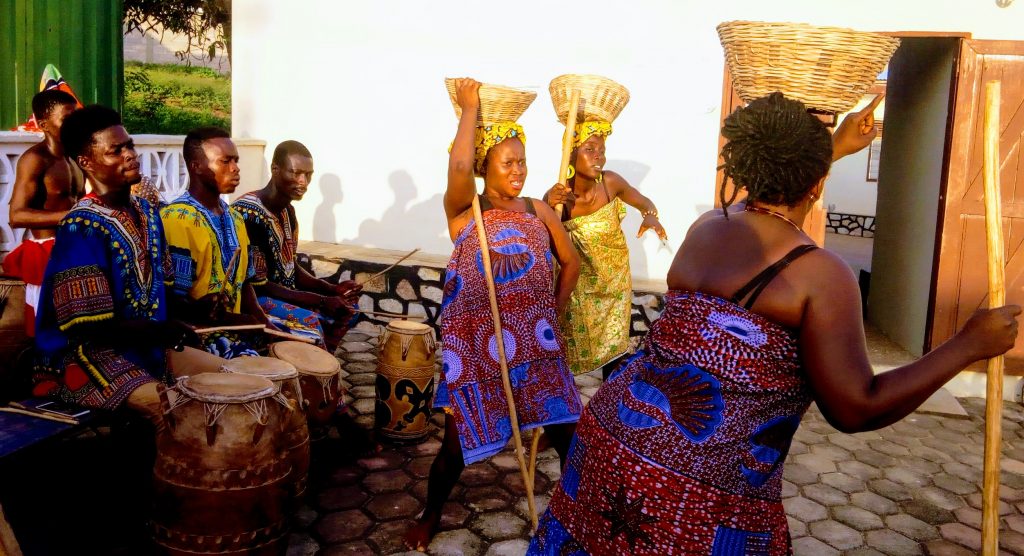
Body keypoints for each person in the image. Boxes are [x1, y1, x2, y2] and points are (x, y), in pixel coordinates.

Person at [528, 92, 1020, 555]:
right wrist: (967, 346)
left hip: (609, 443)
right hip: (690, 489)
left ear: (746, 167)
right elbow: (855, 409)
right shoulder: (819, 274)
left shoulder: (709, 227)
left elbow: (777, 187)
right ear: (817, 183)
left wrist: (832, 147)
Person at [405, 78, 583, 551]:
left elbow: (572, 262)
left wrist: (553, 312)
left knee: (569, 433)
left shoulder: (539, 210)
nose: (519, 171)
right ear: (486, 167)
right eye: (508, 163)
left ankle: (576, 516)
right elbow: (459, 163)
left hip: (537, 349)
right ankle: (431, 513)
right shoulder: (467, 210)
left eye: (523, 161)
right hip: (479, 353)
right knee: (454, 447)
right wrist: (469, 109)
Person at [31, 105, 194, 427]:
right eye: (115, 151)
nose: (130, 155)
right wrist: (162, 330)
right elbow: (86, 326)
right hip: (84, 360)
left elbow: (166, 289)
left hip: (148, 348)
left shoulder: (148, 212)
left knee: (238, 378)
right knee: (181, 411)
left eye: (129, 145)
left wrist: (190, 315)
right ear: (86, 162)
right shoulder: (81, 225)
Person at [544, 116, 667, 377]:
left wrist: (650, 214)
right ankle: (566, 407)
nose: (598, 157)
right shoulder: (559, 199)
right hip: (580, 289)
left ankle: (610, 407)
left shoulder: (610, 183)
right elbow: (545, 238)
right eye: (589, 150)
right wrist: (547, 204)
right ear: (572, 156)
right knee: (570, 350)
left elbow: (644, 201)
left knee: (616, 349)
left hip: (615, 285)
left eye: (602, 151)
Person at [232, 140, 360, 352]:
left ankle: (320, 367)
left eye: (308, 174)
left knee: (349, 308)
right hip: (255, 301)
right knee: (310, 320)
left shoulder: (287, 211)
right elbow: (258, 285)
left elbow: (290, 266)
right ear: (275, 170)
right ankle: (316, 375)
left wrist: (333, 290)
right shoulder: (248, 215)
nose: (304, 181)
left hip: (283, 294)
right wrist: (321, 301)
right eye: (296, 173)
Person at [160, 127, 268, 359]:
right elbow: (175, 302)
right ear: (196, 166)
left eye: (236, 160)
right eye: (225, 161)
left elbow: (245, 281)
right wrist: (233, 319)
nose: (235, 168)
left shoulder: (235, 218)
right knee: (258, 371)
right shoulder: (177, 219)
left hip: (238, 328)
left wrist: (261, 320)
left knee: (307, 338)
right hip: (197, 333)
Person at [4, 90, 84, 336]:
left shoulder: (73, 160)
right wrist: (72, 216)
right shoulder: (35, 159)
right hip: (46, 255)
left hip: (75, 251)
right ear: (44, 124)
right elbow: (17, 216)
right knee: (50, 333)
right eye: (66, 119)